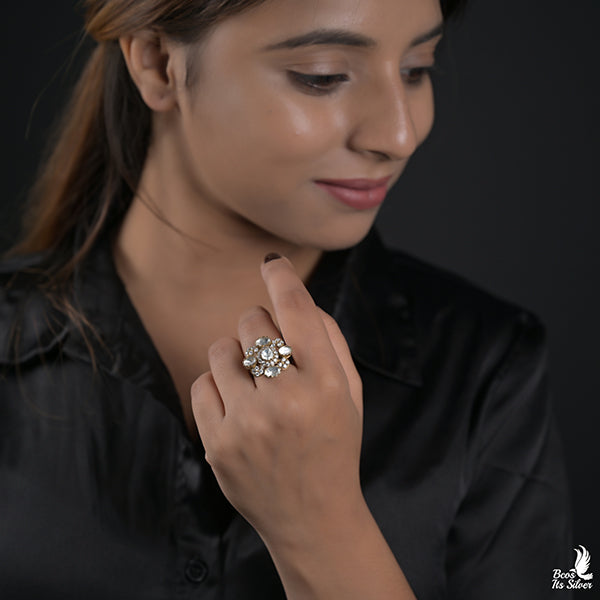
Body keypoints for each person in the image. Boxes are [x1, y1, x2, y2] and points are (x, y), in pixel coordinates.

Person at [0, 0, 572, 598]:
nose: (399, 135)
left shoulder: (490, 371)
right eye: (323, 76)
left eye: (416, 69)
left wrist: (322, 529)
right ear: (156, 62)